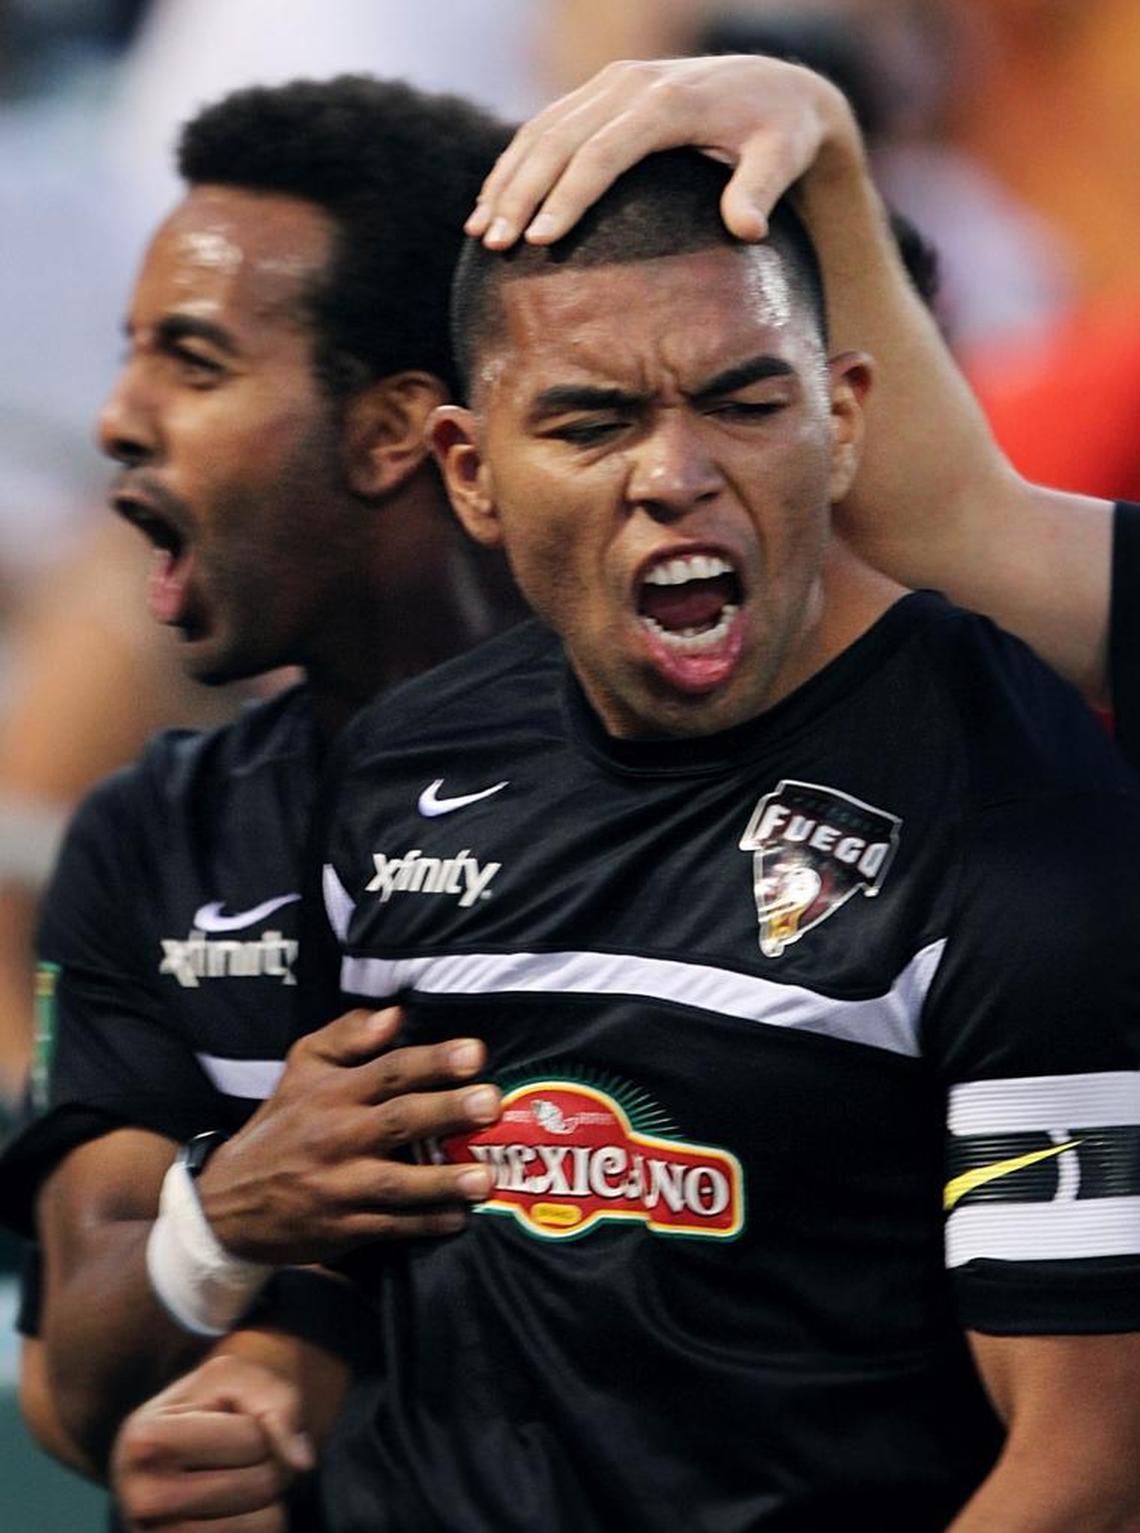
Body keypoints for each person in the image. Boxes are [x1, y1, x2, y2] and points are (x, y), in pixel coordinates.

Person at [112, 141, 1140, 1531]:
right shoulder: (401, 769)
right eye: (593, 421)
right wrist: (264, 1377)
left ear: (842, 420)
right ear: (470, 471)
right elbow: (375, 1236)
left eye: (740, 400)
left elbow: (1092, 1469)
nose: (675, 474)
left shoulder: (1021, 810)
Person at [0, 72, 528, 1494]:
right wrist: (225, 1216)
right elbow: (70, 1386)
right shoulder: (149, 834)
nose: (118, 415)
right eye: (130, 355)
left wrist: (296, 1350)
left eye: (194, 359)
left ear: (392, 429)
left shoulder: (683, 799)